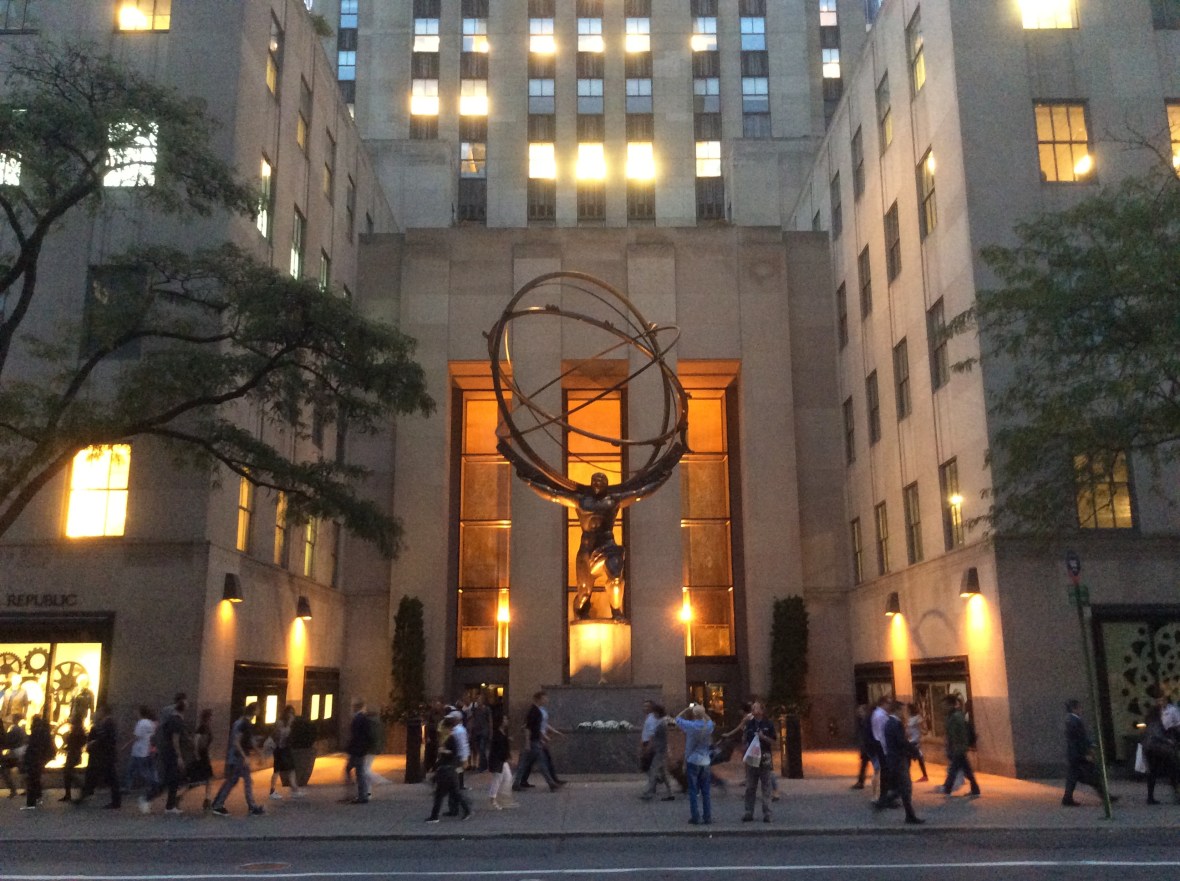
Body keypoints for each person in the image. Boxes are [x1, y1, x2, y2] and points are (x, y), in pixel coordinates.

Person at [498, 439, 678, 620]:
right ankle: (580, 611)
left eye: (602, 479)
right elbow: (552, 493)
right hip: (586, 552)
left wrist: (666, 469)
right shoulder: (581, 500)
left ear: (607, 484)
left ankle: (616, 612)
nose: (598, 482)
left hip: (607, 548)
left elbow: (641, 491)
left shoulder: (613, 501)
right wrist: (526, 476)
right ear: (591, 483)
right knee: (584, 595)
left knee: (615, 578)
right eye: (595, 479)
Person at [210, 702, 264, 816]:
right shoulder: (244, 724)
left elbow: (246, 741)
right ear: (254, 711)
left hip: (238, 757)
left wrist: (258, 753)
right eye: (258, 709)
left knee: (235, 781)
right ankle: (219, 804)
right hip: (239, 758)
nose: (260, 712)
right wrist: (246, 756)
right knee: (237, 781)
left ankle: (218, 803)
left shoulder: (243, 723)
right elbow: (237, 741)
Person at [876, 700, 924, 824]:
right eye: (902, 710)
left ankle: (908, 814)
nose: (904, 713)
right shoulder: (895, 724)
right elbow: (901, 742)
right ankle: (885, 801)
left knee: (902, 787)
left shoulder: (889, 723)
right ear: (896, 710)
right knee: (906, 787)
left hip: (894, 759)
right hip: (898, 759)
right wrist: (914, 751)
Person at [1062, 698, 1116, 807]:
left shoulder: (1069, 720)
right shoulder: (1075, 721)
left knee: (1073, 777)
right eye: (1079, 707)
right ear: (1074, 708)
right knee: (1092, 775)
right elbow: (1080, 738)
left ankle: (1067, 798)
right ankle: (1106, 796)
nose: (1081, 709)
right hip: (1079, 754)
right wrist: (1087, 751)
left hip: (1073, 754)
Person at [141, 694, 187, 814]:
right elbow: (175, 738)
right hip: (170, 753)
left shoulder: (170, 716)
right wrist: (179, 756)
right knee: (168, 779)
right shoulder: (176, 720)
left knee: (173, 779)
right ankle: (148, 798)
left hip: (166, 751)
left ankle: (170, 806)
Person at [674, 703, 715, 825]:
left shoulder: (690, 726)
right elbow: (710, 720)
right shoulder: (708, 726)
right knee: (706, 791)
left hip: (692, 760)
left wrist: (688, 709)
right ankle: (707, 816)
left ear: (693, 715)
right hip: (706, 760)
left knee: (693, 790)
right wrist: (703, 712)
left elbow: (677, 719)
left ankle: (695, 817)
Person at [426, 716, 471, 822]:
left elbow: (454, 752)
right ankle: (466, 810)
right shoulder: (451, 737)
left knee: (440, 794)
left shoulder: (452, 738)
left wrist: (444, 751)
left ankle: (434, 816)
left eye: (444, 727)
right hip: (449, 769)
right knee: (454, 792)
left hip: (447, 769)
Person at [512, 691, 558, 792]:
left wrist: (542, 737)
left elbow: (536, 728)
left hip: (535, 741)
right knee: (541, 763)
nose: (546, 700)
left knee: (524, 764)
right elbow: (528, 728)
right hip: (533, 742)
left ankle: (516, 783)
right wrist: (528, 742)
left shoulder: (536, 711)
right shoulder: (534, 712)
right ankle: (551, 783)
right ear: (539, 699)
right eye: (544, 698)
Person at [936, 695, 980, 798]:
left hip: (958, 747)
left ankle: (947, 788)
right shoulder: (951, 716)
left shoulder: (956, 716)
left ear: (950, 704)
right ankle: (975, 788)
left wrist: (960, 746)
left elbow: (961, 733)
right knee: (966, 769)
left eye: (945, 705)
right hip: (957, 747)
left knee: (954, 769)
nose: (943, 707)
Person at [739, 701, 777, 822]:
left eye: (755, 708)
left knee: (766, 785)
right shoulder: (750, 724)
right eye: (752, 708)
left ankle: (767, 813)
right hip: (752, 757)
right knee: (750, 786)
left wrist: (763, 737)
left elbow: (773, 741)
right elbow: (744, 739)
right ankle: (748, 812)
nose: (753, 710)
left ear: (761, 711)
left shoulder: (768, 724)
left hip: (764, 756)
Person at [78, 703, 121, 808]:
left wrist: (94, 743)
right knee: (105, 776)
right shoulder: (106, 722)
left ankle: (116, 801)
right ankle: (86, 793)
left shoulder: (108, 723)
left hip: (106, 755)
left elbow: (105, 738)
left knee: (110, 777)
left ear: (104, 712)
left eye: (100, 711)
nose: (98, 713)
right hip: (105, 755)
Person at [1140, 703, 1178, 805]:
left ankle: (1150, 797)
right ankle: (1177, 793)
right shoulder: (1155, 723)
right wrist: (1168, 741)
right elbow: (1156, 735)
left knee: (1152, 773)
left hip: (1149, 749)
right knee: (1173, 769)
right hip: (1157, 749)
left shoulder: (1149, 722)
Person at [641, 703, 674, 801]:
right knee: (663, 773)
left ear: (657, 712)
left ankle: (649, 793)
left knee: (653, 771)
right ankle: (670, 793)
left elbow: (656, 737)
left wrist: (649, 748)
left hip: (660, 751)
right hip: (661, 750)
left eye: (654, 712)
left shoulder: (661, 723)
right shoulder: (663, 721)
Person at [19, 715, 53, 810]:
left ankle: (31, 803)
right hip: (40, 759)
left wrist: (26, 759)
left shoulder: (36, 732)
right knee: (35, 779)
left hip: (34, 759)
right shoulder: (44, 732)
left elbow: (31, 747)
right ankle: (38, 797)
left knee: (32, 780)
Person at [269, 705, 303, 800]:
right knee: (277, 770)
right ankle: (272, 790)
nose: (292, 716)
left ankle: (294, 789)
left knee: (291, 768)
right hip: (279, 749)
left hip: (285, 749)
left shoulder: (288, 724)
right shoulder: (280, 723)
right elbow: (278, 736)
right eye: (291, 713)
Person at [344, 698, 373, 804]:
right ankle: (359, 794)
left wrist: (351, 747)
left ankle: (360, 795)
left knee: (358, 772)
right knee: (356, 771)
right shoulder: (362, 718)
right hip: (359, 749)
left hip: (358, 750)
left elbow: (357, 736)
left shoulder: (359, 718)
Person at [487, 712, 518, 810]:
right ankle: (493, 800)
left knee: (508, 778)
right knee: (498, 779)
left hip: (501, 760)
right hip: (498, 760)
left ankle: (504, 799)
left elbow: (502, 745)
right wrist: (508, 759)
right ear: (500, 721)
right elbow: (499, 748)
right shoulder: (498, 733)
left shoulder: (502, 732)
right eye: (504, 719)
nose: (506, 721)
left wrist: (507, 739)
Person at [123, 705, 157, 793]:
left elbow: (136, 736)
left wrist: (126, 745)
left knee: (137, 770)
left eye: (136, 711)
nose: (135, 713)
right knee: (143, 770)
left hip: (138, 751)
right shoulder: (151, 723)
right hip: (146, 749)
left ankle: (154, 784)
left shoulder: (141, 723)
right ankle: (153, 784)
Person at [188, 708, 215, 810]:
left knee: (205, 778)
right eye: (211, 716)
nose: (212, 718)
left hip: (203, 755)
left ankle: (207, 799)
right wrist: (196, 754)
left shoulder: (205, 727)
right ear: (208, 717)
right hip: (202, 755)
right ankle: (207, 800)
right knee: (204, 778)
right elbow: (196, 740)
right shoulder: (203, 728)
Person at [1, 714, 26, 798]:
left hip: (15, 754)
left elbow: (7, 740)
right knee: (22, 771)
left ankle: (14, 790)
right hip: (18, 753)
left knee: (5, 770)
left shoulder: (15, 729)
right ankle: (25, 789)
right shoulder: (19, 729)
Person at [850, 704, 874, 790]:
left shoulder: (867, 721)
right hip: (866, 747)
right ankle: (861, 781)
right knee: (864, 764)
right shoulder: (862, 721)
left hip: (869, 746)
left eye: (860, 711)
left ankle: (861, 781)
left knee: (875, 765)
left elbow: (867, 735)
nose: (859, 713)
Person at [905, 702, 929, 782]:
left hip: (915, 740)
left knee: (914, 757)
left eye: (907, 709)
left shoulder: (918, 718)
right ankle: (908, 775)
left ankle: (924, 775)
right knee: (911, 757)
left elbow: (924, 729)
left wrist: (920, 731)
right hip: (910, 740)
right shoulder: (909, 718)